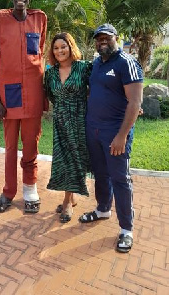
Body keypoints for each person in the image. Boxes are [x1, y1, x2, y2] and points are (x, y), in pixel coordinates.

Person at [79, 23, 143, 253]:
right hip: (93, 129)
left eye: (106, 37)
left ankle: (126, 229)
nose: (101, 41)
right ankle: (103, 209)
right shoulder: (96, 63)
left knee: (120, 179)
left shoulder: (126, 62)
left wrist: (122, 135)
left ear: (116, 37)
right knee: (100, 174)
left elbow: (135, 102)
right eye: (98, 38)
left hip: (115, 132)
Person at [0, 0, 47, 213]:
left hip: (33, 93)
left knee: (31, 145)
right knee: (10, 148)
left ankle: (30, 189)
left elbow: (39, 52)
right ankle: (8, 191)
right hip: (8, 95)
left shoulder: (39, 18)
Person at [44, 33, 92, 223]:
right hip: (60, 121)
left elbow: (100, 88)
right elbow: (51, 96)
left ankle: (66, 201)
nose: (60, 51)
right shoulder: (50, 73)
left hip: (79, 120)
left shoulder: (84, 68)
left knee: (75, 159)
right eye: (56, 48)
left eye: (63, 46)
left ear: (71, 47)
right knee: (63, 160)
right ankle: (71, 198)